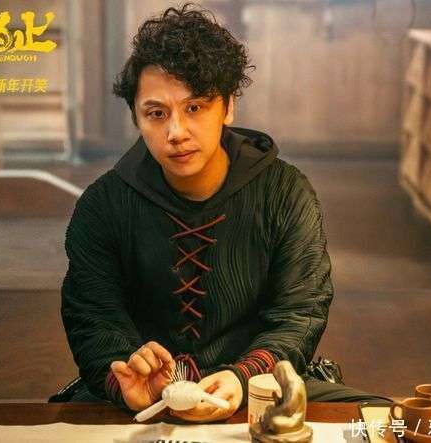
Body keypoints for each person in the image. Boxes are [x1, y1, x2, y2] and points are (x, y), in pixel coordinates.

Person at [61, 3, 376, 423]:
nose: (176, 132)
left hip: (257, 382)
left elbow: (300, 313)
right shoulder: (103, 205)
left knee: (380, 418)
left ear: (228, 106)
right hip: (145, 397)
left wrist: (243, 378)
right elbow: (92, 318)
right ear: (137, 117)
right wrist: (128, 384)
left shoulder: (285, 192)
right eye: (156, 113)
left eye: (195, 108)